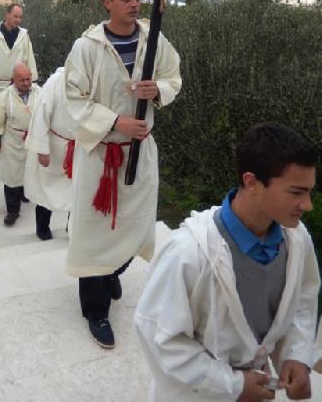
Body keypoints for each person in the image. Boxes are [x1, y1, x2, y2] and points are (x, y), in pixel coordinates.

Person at [135, 123, 320, 402]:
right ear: (251, 182)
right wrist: (230, 385)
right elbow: (161, 338)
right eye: (296, 192)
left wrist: (295, 355)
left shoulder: (296, 240)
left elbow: (302, 303)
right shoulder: (187, 253)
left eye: (309, 192)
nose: (308, 205)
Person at [64, 0, 181, 349]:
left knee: (137, 224)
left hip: (140, 151)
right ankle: (95, 311)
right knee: (95, 233)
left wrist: (156, 89)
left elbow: (173, 78)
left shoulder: (154, 39)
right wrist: (116, 121)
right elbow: (74, 98)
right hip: (103, 152)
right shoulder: (87, 47)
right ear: (107, 2)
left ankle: (115, 268)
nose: (134, 4)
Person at [24, 66, 77, 240]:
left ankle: (73, 227)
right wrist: (41, 148)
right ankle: (42, 227)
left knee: (77, 191)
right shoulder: (55, 82)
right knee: (45, 190)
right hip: (54, 147)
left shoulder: (93, 81)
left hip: (80, 148)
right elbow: (40, 114)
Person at [0, 63, 40, 229]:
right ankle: (12, 210)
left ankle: (25, 192)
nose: (25, 83)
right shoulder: (6, 96)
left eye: (28, 79)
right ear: (14, 80)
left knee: (30, 169)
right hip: (13, 140)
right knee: (12, 175)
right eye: (22, 80)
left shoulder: (40, 92)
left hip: (33, 139)